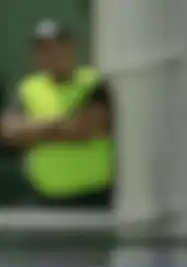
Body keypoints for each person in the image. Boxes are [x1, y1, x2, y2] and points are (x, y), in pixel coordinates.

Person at [0, 20, 113, 207]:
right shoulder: (27, 88)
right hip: (44, 197)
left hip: (95, 197)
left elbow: (84, 129)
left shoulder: (93, 82)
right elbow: (10, 133)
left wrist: (36, 130)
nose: (51, 55)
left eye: (58, 47)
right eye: (43, 49)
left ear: (71, 48)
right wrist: (61, 123)